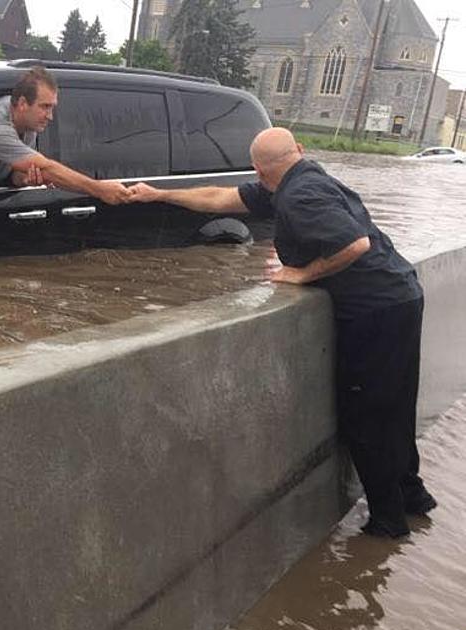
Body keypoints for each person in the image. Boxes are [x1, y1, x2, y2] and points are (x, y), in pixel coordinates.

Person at [129, 127, 436, 538]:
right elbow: (220, 198)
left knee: (368, 416)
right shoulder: (299, 178)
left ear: (259, 169)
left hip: (375, 312)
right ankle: (414, 499)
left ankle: (388, 522)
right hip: (399, 296)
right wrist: (159, 194)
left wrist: (301, 273)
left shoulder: (299, 196)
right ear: (299, 151)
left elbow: (355, 244)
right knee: (396, 407)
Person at [0, 66, 132, 206]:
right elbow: (46, 167)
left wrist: (23, 179)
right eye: (45, 107)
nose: (50, 117)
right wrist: (99, 189)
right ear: (21, 104)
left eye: (52, 107)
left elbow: (15, 171)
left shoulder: (29, 125)